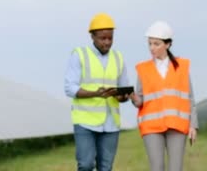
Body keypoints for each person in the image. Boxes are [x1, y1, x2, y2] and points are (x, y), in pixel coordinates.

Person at [64, 13, 130, 171]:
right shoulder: (79, 55)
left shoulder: (118, 57)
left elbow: (123, 90)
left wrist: (122, 95)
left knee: (106, 168)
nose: (107, 42)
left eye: (110, 38)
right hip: (85, 121)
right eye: (102, 38)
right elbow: (69, 88)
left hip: (111, 123)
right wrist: (95, 93)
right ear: (92, 36)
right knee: (85, 165)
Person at [130, 21, 198, 171]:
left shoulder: (181, 66)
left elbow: (190, 98)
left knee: (175, 168)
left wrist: (193, 124)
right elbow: (140, 100)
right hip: (152, 127)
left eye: (156, 44)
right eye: (149, 44)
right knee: (157, 168)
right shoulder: (143, 69)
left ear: (167, 44)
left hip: (177, 125)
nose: (152, 48)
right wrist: (134, 98)